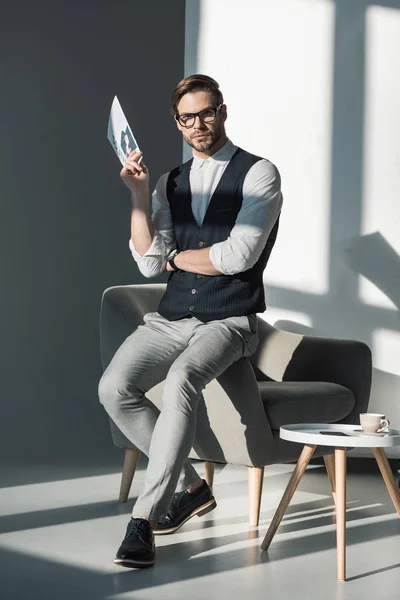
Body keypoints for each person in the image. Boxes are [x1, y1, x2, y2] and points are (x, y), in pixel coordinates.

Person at [99, 74, 283, 568]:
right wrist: (139, 196)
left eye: (206, 113)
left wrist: (176, 258)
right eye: (187, 118)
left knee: (181, 380)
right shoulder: (169, 182)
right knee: (114, 388)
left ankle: (143, 521)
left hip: (229, 319)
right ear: (177, 124)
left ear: (222, 111)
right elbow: (147, 262)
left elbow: (238, 256)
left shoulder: (259, 173)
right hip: (173, 317)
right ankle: (191, 489)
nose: (198, 124)